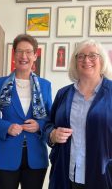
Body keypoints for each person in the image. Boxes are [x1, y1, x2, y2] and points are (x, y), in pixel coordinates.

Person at [44, 39, 112, 189]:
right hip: (65, 174)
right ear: (75, 62)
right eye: (81, 56)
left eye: (92, 55)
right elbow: (48, 124)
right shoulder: (63, 94)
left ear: (101, 60)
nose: (86, 60)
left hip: (103, 176)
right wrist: (52, 134)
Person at [0, 34, 52, 189]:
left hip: (36, 157)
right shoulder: (0, 83)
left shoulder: (44, 85)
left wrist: (39, 125)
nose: (24, 56)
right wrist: (6, 127)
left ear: (35, 55)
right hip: (5, 156)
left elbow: (51, 118)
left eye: (29, 52)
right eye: (20, 51)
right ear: (14, 54)